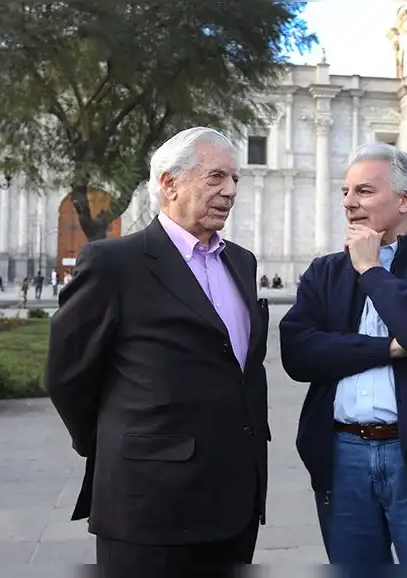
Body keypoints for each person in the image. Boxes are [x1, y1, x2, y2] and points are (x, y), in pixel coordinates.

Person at [46, 127, 270, 577]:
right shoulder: (114, 263)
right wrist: (116, 443)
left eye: (235, 179)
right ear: (170, 183)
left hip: (235, 500)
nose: (230, 191)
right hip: (149, 502)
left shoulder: (241, 262)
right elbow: (67, 375)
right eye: (216, 177)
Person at [280, 143, 407, 566]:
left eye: (364, 191)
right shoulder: (326, 271)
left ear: (406, 201)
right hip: (343, 460)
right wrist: (390, 347)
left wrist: (372, 270)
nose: (349, 203)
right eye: (345, 192)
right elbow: (298, 352)